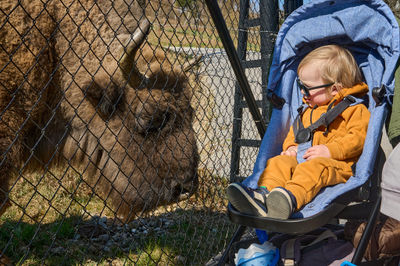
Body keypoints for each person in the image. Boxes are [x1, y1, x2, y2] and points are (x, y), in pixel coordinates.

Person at [227, 45, 370, 219]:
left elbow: (359, 139)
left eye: (308, 87)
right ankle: (263, 194)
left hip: (338, 165)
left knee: (315, 168)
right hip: (302, 158)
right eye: (300, 85)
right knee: (279, 161)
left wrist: (330, 151)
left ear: (334, 89)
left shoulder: (355, 110)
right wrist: (292, 147)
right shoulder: (308, 109)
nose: (303, 92)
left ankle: (290, 199)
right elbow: (295, 133)